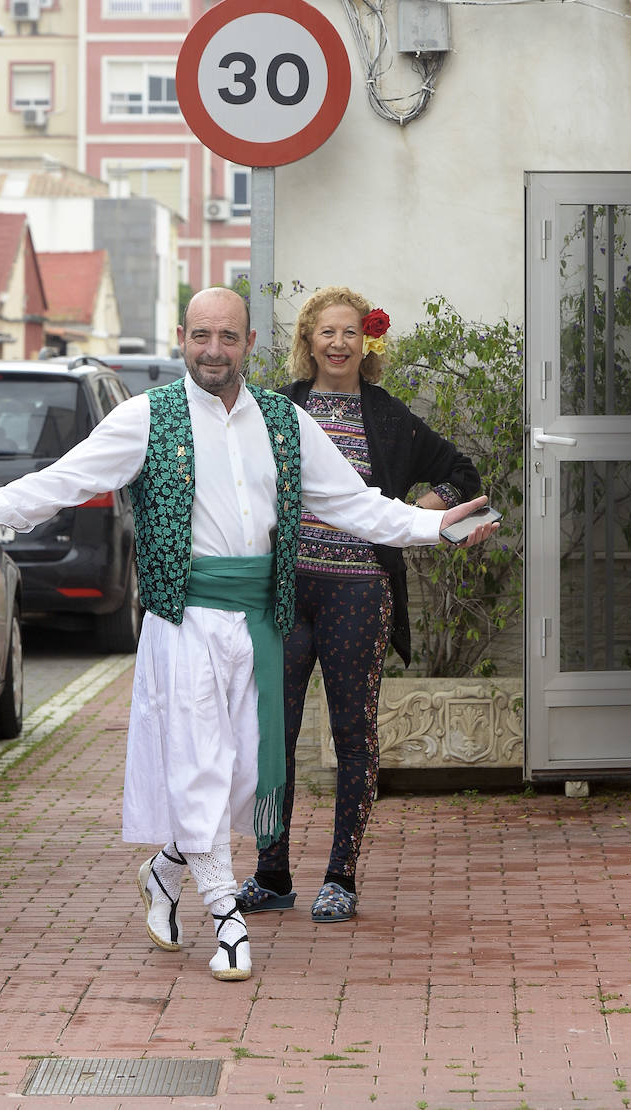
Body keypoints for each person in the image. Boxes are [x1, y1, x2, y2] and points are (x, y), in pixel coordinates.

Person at [0, 287, 495, 982]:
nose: (214, 350)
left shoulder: (286, 422)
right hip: (185, 619)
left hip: (261, 624)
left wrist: (437, 526)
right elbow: (67, 481)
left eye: (227, 337)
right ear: (181, 339)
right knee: (200, 762)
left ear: (250, 342)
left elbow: (357, 507)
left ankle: (164, 873)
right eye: (200, 336)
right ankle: (225, 915)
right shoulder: (148, 417)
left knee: (250, 778)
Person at [236, 287, 485, 923]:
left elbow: (461, 473)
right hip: (286, 591)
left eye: (350, 333)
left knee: (352, 730)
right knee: (274, 734)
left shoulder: (388, 414)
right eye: (327, 333)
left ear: (365, 342)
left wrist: (407, 514)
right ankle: (271, 872)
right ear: (308, 341)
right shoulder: (277, 410)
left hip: (358, 590)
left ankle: (340, 876)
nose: (339, 344)